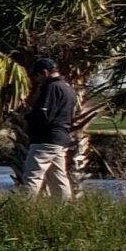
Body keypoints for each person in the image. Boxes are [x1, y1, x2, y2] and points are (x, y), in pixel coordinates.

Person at [22, 57, 81, 200]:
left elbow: (44, 115)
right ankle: (64, 209)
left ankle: (24, 209)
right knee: (58, 178)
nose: (36, 80)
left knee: (32, 175)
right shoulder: (68, 88)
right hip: (61, 139)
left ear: (44, 72)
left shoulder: (52, 87)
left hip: (46, 140)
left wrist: (26, 116)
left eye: (36, 76)